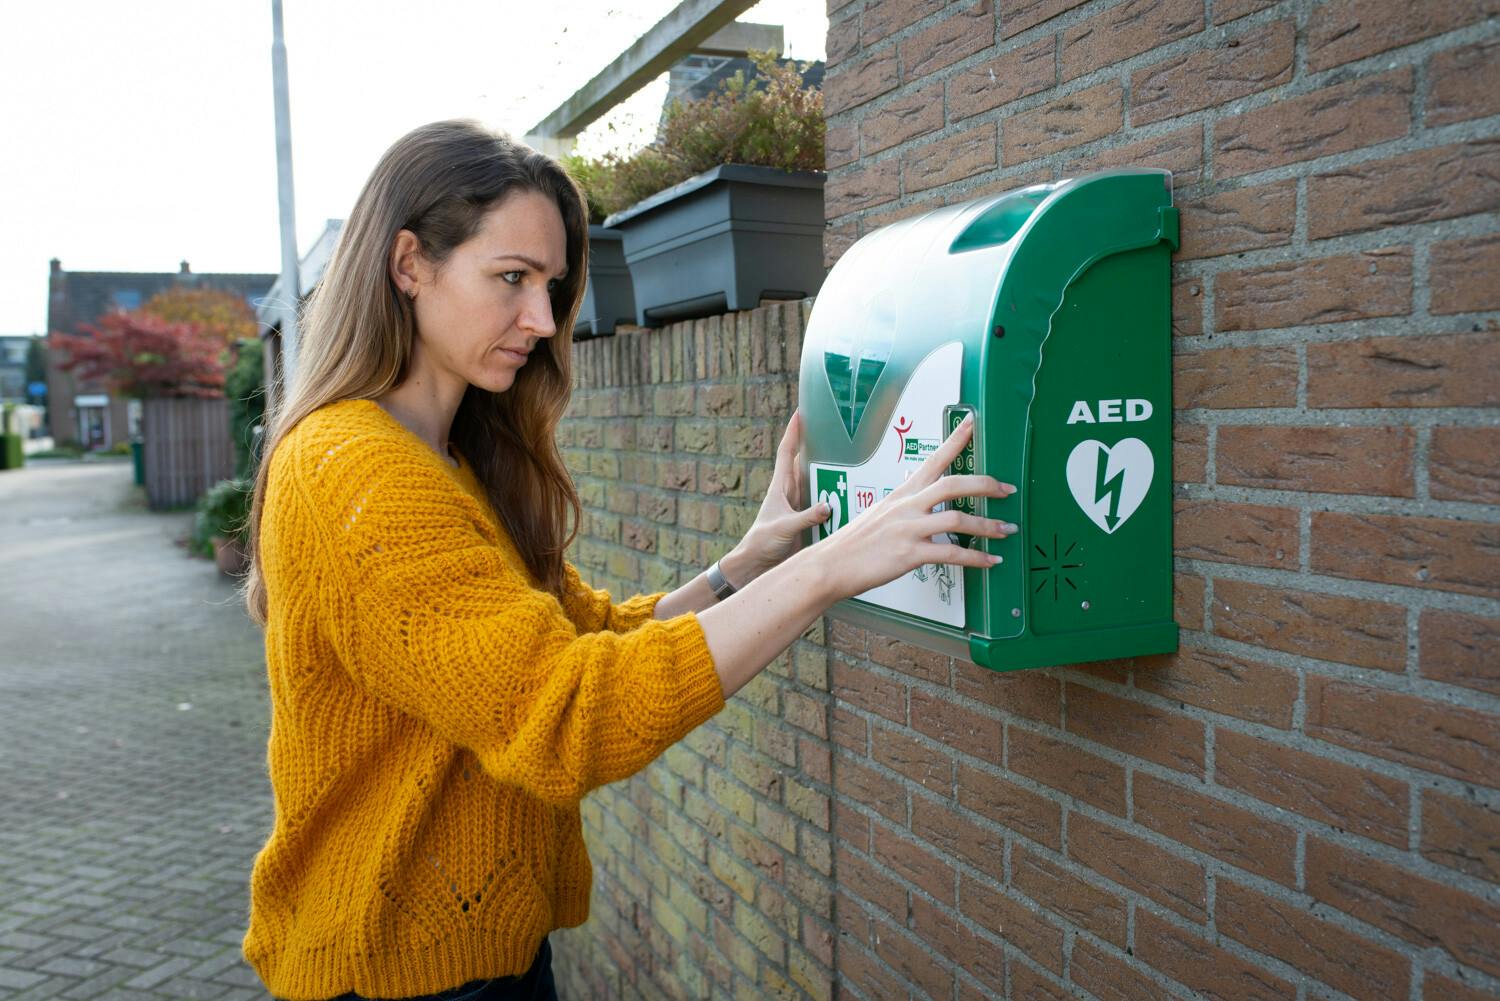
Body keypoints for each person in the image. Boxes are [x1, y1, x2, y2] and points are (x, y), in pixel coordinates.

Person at [240, 120, 1017, 1001]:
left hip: (474, 961)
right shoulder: (353, 472)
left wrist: (746, 566)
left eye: (551, 285)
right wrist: (834, 566)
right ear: (409, 263)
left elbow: (588, 638)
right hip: (398, 977)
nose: (539, 319)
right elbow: (570, 712)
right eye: (511, 279)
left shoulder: (451, 457)